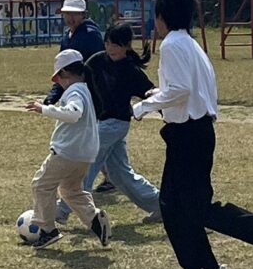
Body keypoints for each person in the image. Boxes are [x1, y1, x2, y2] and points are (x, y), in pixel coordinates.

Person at [133, 0, 253, 269]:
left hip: (188, 134)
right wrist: (159, 95)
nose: (155, 22)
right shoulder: (190, 45)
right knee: (174, 206)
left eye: (156, 15)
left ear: (163, 16)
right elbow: (189, 89)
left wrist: (143, 106)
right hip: (194, 131)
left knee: (192, 207)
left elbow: (181, 90)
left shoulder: (172, 45)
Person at [55, 22, 163, 224]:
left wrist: (167, 112)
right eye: (108, 43)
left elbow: (152, 95)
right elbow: (77, 80)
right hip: (101, 122)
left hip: (117, 124)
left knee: (88, 162)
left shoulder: (131, 70)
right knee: (119, 174)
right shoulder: (97, 61)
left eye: (116, 44)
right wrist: (56, 96)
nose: (110, 48)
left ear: (127, 45)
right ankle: (161, 205)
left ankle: (61, 210)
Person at [25, 49, 109, 247]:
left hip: (67, 151)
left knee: (41, 185)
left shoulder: (74, 91)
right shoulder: (85, 89)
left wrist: (44, 109)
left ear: (65, 73)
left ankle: (48, 229)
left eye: (57, 78)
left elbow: (73, 113)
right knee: (71, 190)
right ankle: (94, 219)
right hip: (84, 154)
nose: (58, 83)